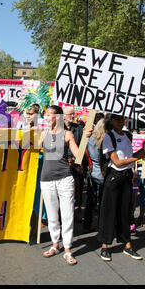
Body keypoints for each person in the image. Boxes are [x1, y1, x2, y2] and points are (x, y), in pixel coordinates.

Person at [98, 114, 145, 262]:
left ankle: (127, 245)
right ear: (111, 121)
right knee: (110, 211)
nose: (120, 122)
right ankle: (105, 246)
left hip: (127, 176)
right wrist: (138, 157)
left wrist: (134, 168)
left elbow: (129, 155)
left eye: (122, 119)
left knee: (126, 211)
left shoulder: (128, 135)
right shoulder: (108, 137)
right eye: (117, 119)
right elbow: (118, 162)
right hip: (114, 177)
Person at [39, 105, 82, 265]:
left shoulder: (67, 134)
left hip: (65, 179)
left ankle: (68, 249)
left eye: (49, 115)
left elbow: (78, 154)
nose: (47, 118)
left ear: (58, 116)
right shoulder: (43, 134)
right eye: (45, 115)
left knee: (67, 215)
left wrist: (86, 140)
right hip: (47, 179)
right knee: (52, 216)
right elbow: (30, 149)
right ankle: (55, 244)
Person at [85, 116, 105, 231]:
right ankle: (101, 226)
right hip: (102, 174)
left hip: (91, 171)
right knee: (103, 202)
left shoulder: (89, 139)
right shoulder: (104, 141)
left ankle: (87, 224)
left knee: (90, 200)